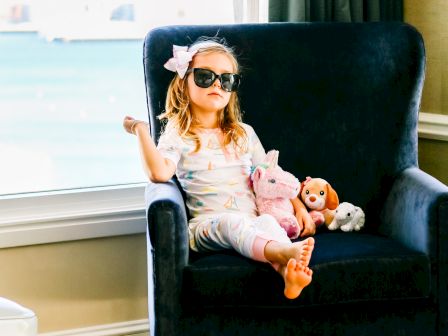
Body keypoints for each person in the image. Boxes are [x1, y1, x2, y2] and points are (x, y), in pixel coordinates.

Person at [123, 38, 316, 299]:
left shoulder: (243, 133)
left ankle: (287, 273)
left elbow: (271, 177)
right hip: (207, 225)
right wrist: (142, 131)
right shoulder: (179, 133)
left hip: (253, 220)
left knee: (268, 222)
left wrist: (299, 208)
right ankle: (283, 252)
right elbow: (159, 173)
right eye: (205, 76)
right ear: (184, 82)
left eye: (227, 80)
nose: (217, 84)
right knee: (231, 223)